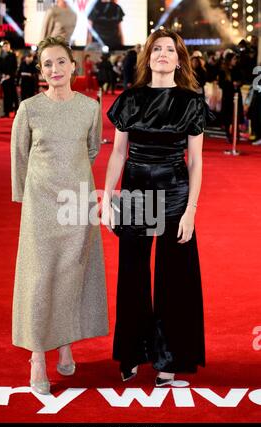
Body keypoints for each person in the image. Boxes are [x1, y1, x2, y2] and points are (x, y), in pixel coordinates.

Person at [102, 29, 213, 386]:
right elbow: (118, 152)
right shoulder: (130, 99)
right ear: (147, 56)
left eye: (170, 50)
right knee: (132, 274)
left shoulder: (192, 102)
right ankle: (132, 354)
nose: (163, 54)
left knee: (174, 278)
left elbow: (196, 161)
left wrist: (191, 210)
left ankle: (169, 358)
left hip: (176, 193)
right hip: (135, 193)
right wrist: (107, 196)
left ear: (179, 60)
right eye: (157, 49)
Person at [11, 36, 108, 395]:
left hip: (77, 202)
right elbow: (20, 157)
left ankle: (65, 342)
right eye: (47, 64)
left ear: (73, 66)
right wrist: (26, 197)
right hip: (40, 204)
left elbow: (93, 148)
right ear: (41, 71)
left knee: (72, 274)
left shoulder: (89, 108)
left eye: (60, 62)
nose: (55, 69)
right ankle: (37, 355)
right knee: (40, 277)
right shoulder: (29, 108)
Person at [0, 40, 18, 118]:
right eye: (4, 46)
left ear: (9, 46)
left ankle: (17, 111)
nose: (5, 47)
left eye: (7, 46)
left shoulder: (13, 55)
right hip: (4, 78)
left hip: (11, 78)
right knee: (6, 96)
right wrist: (2, 75)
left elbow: (14, 67)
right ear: (3, 48)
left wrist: (10, 75)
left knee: (14, 95)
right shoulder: (1, 56)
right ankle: (6, 112)